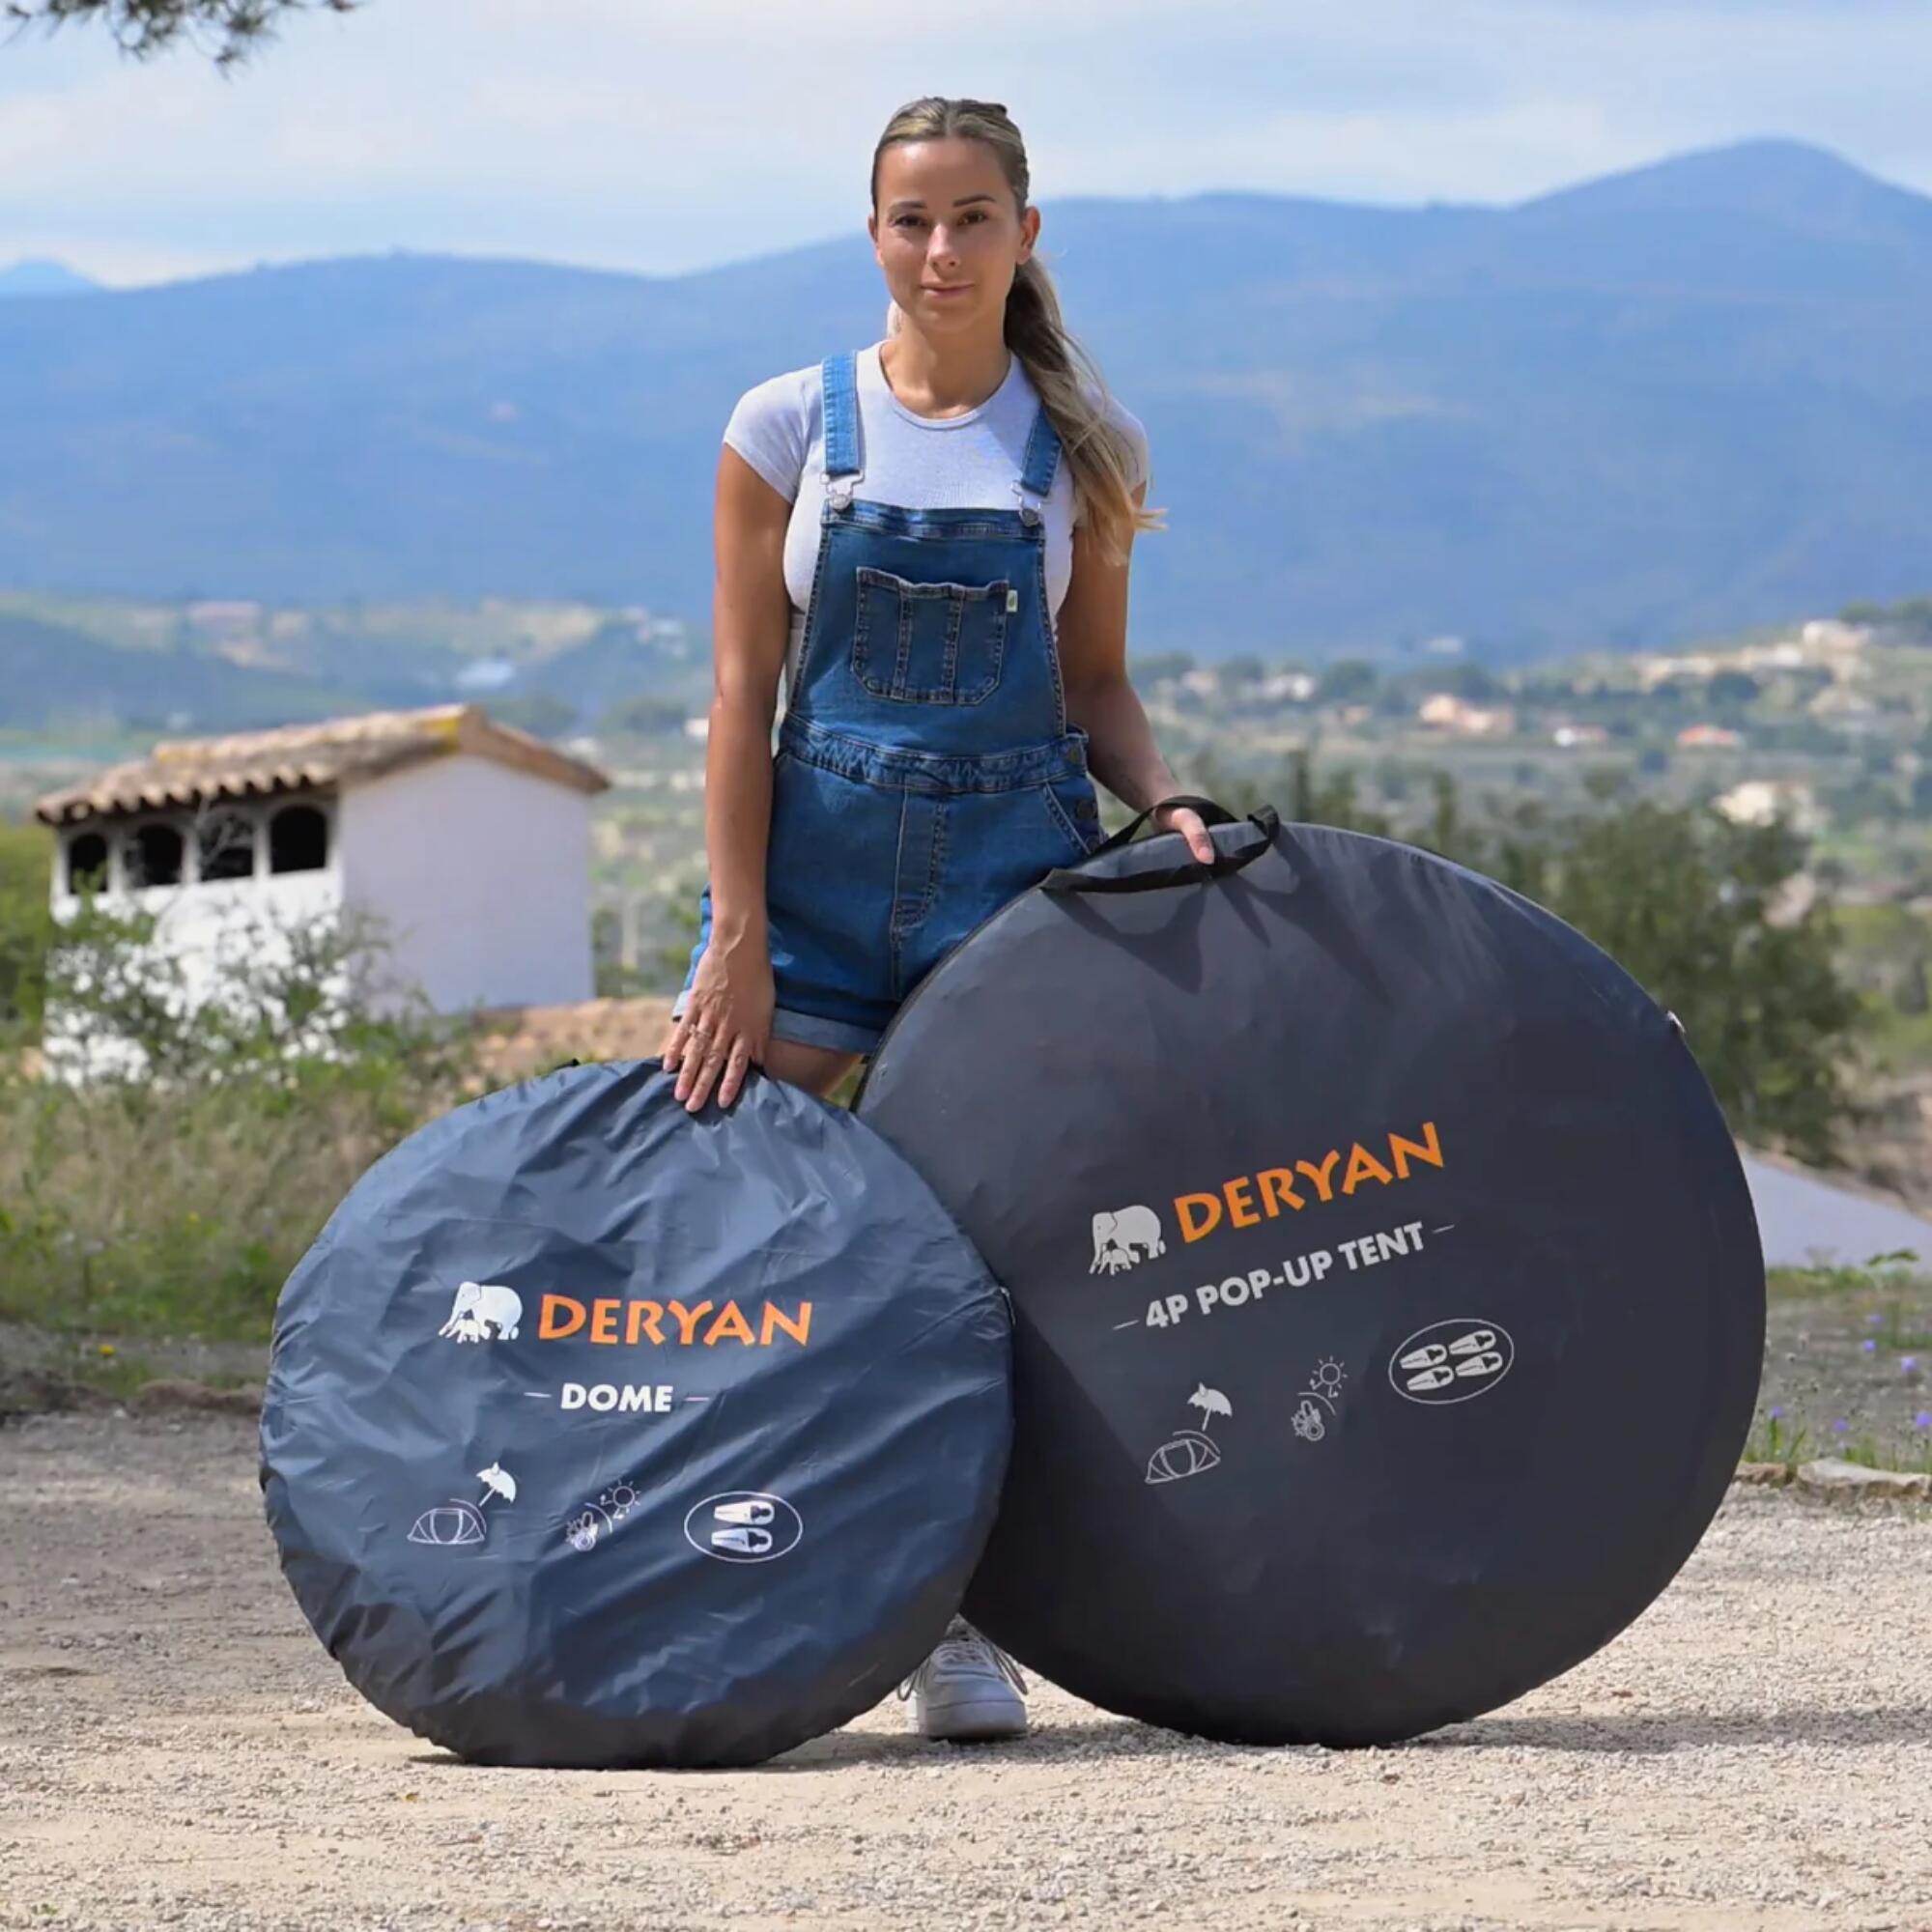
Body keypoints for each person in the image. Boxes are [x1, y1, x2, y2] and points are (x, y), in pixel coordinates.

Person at [658, 96, 1214, 1743]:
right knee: (714, 1228)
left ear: (1025, 235)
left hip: (1008, 903)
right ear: (874, 233)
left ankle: (957, 1622)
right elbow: (742, 698)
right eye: (913, 219)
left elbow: (1095, 689)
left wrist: (1169, 799)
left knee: (984, 1267)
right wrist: (736, 939)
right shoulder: (784, 426)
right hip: (807, 902)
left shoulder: (1086, 445)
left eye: (974, 219)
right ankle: (687, 1580)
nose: (942, 250)